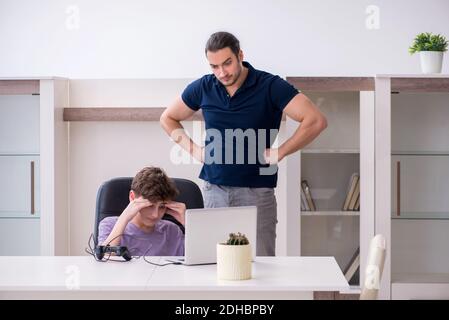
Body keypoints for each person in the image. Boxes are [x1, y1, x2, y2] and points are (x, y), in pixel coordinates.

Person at [160, 31, 327, 256]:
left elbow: (316, 120)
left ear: (240, 55)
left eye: (227, 63)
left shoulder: (270, 85)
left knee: (261, 264)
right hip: (214, 189)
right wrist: (195, 151)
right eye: (214, 67)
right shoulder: (204, 87)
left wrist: (282, 151)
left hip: (256, 192)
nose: (222, 73)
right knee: (214, 263)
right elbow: (168, 118)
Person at [98, 166, 186, 256]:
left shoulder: (172, 230)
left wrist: (188, 223)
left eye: (162, 207)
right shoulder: (110, 225)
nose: (155, 215)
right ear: (132, 197)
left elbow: (197, 260)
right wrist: (124, 218)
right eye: (150, 205)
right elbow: (104, 259)